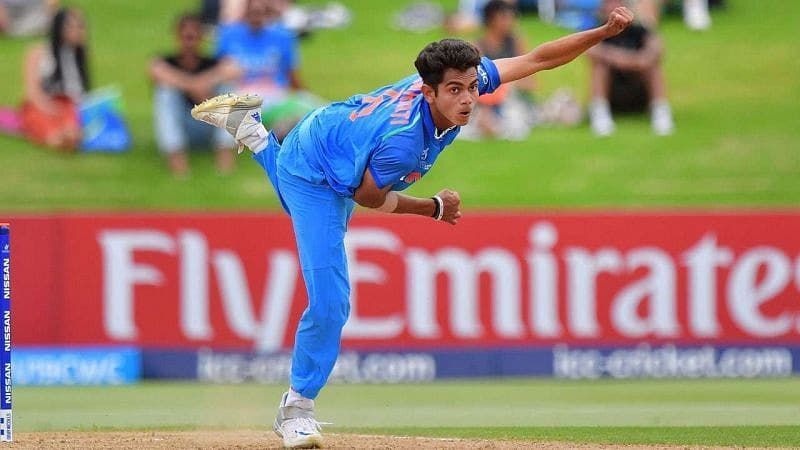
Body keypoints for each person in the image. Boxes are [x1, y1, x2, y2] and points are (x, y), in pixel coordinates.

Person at [192, 5, 633, 448]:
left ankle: (251, 130)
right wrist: (433, 208)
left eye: (471, 88)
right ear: (428, 92)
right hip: (317, 169)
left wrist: (604, 31)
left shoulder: (460, 86)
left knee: (298, 210)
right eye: (455, 91)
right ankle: (297, 409)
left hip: (333, 133)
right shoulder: (403, 144)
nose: (467, 100)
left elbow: (539, 58)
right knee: (331, 302)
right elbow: (366, 196)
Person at [149, 13, 240, 176]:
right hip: (182, 128)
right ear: (177, 36)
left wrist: (203, 82)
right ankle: (177, 159)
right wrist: (193, 86)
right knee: (164, 93)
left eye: (193, 36)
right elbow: (156, 71)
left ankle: (225, 155)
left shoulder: (213, 62)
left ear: (202, 38)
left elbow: (234, 69)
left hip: (209, 127)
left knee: (229, 90)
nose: (189, 41)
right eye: (186, 36)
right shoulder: (166, 61)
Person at [215, 0, 311, 141]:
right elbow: (218, 69)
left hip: (275, 95)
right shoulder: (229, 35)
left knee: (316, 110)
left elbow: (291, 74)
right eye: (253, 13)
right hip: (241, 96)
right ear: (245, 13)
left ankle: (281, 131)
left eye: (260, 13)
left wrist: (302, 95)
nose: (257, 18)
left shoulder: (282, 36)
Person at [587, 0, 674, 136]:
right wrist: (620, 58)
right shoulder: (597, 30)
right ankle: (600, 114)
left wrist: (634, 61)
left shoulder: (640, 30)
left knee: (653, 68)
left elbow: (656, 50)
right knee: (600, 68)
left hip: (639, 85)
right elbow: (591, 52)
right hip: (612, 90)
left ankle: (660, 112)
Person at [464, 0, 536, 140]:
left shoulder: (516, 42)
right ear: (491, 19)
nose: (510, 21)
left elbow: (530, 82)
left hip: (510, 97)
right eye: (505, 17)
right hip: (482, 99)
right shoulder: (475, 47)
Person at [20, 7, 88, 151]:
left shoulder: (77, 55)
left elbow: (80, 93)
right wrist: (50, 107)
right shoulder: (38, 53)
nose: (79, 31)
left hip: (69, 106)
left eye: (81, 26)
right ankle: (58, 139)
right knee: (42, 120)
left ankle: (68, 136)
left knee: (70, 118)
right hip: (42, 104)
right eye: (73, 26)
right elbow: (32, 93)